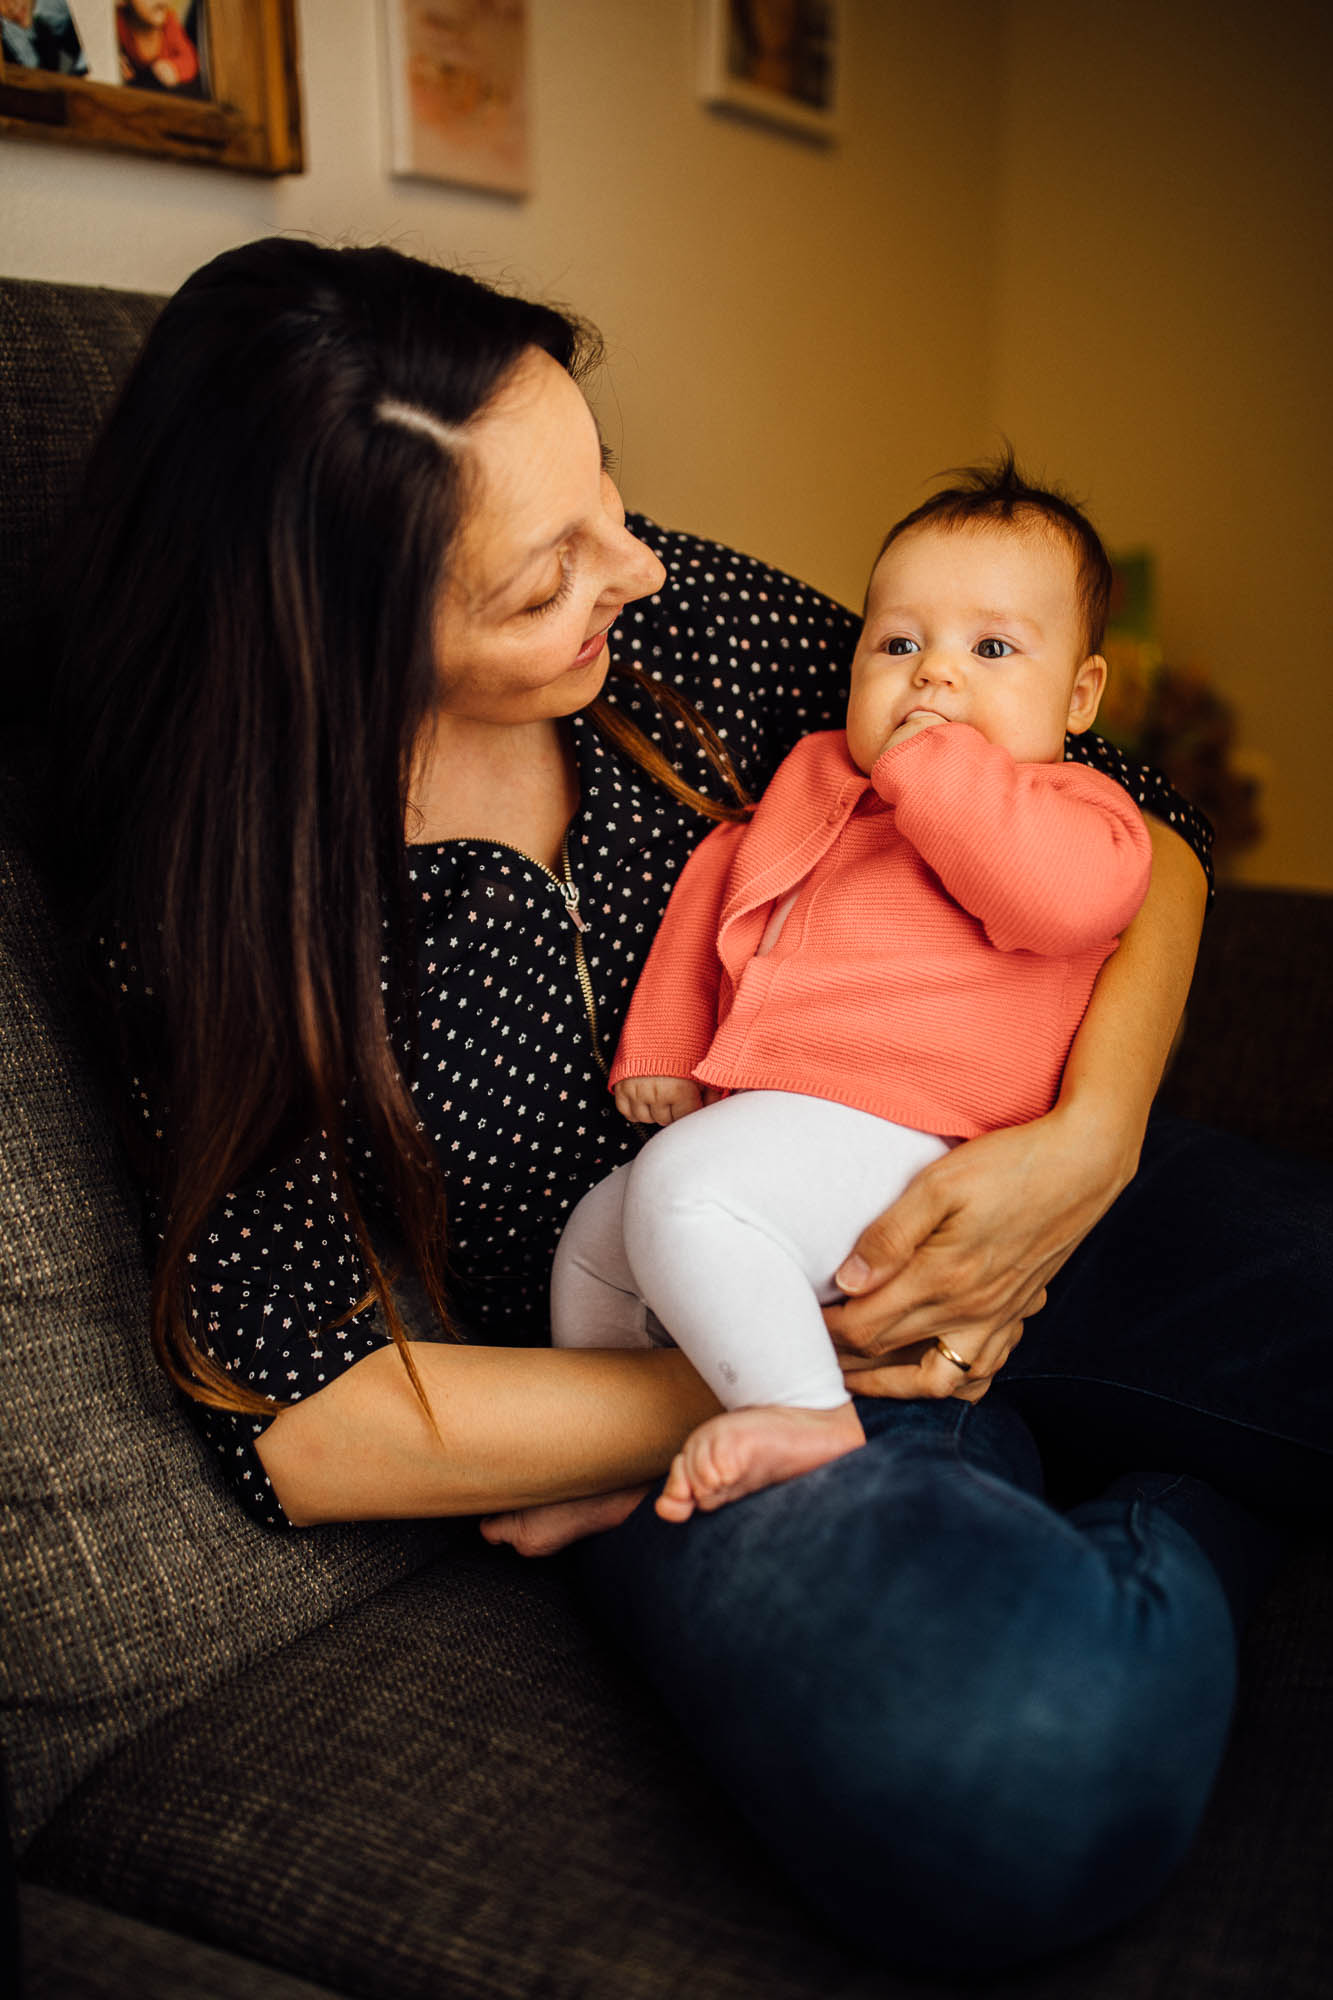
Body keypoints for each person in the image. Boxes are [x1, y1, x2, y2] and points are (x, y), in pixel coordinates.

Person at [36, 237, 1329, 1973]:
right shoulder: (213, 911)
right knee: (1020, 1778)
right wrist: (761, 1373)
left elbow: (1122, 819)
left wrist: (1081, 1146)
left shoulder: (673, 620)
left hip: (1025, 1181)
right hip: (695, 1385)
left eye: (612, 497)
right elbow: (302, 1422)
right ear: (336, 638)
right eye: (542, 574)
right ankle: (1193, 1502)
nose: (632, 565)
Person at [550, 464, 1154, 1522]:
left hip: (919, 1145)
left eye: (992, 649)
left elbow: (1049, 903)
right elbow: (725, 882)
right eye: (898, 644)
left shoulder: (1080, 813)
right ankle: (601, 1469)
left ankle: (802, 1409)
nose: (934, 677)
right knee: (599, 1240)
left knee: (682, 1190)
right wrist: (662, 1036)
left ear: (1079, 695)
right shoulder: (818, 776)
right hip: (784, 1133)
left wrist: (930, 772)